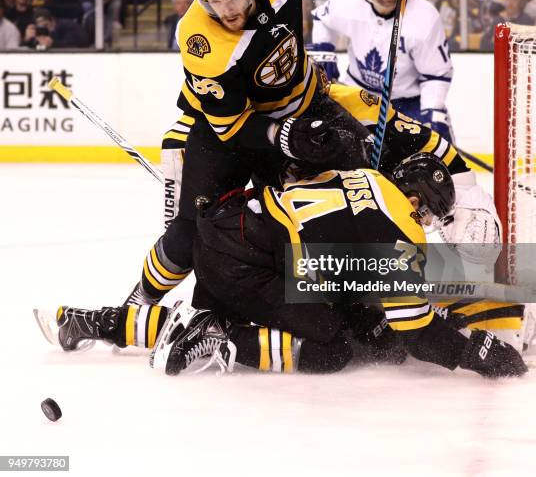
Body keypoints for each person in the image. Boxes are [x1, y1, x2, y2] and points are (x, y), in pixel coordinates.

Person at [123, 0, 501, 313]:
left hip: (306, 102)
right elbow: (231, 127)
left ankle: (373, 300)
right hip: (232, 131)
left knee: (353, 200)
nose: (228, 11)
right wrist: (283, 135)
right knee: (191, 233)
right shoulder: (200, 40)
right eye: (216, 3)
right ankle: (140, 302)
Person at [38, 154, 527, 379]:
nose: (432, 223)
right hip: (253, 262)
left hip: (229, 231)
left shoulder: (367, 175)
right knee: (332, 346)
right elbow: (417, 330)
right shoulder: (403, 234)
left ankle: (88, 320)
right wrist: (473, 353)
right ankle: (223, 337)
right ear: (419, 199)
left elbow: (339, 256)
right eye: (432, 211)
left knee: (348, 315)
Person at [311, 0, 454, 140]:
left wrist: (432, 111)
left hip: (407, 102)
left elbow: (436, 74)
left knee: (439, 153)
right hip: (358, 94)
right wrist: (323, 49)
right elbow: (322, 18)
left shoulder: (424, 16)